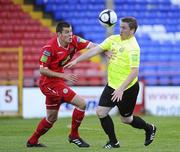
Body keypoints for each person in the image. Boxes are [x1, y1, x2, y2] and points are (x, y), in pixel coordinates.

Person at [65, 17, 157, 148]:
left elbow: (134, 72)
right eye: (120, 27)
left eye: (124, 28)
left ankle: (149, 128)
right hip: (112, 85)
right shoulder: (113, 39)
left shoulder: (133, 47)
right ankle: (114, 142)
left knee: (126, 119)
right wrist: (77, 60)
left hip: (127, 88)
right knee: (101, 112)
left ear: (132, 30)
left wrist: (121, 89)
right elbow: (95, 50)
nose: (120, 30)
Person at [26, 21, 96, 148]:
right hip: (48, 84)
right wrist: (63, 75)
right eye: (67, 32)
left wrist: (105, 51)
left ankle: (32, 141)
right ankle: (74, 136)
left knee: (51, 118)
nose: (71, 34)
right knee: (82, 103)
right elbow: (42, 70)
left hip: (57, 83)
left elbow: (92, 45)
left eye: (71, 31)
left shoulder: (74, 40)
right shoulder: (49, 48)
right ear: (59, 34)